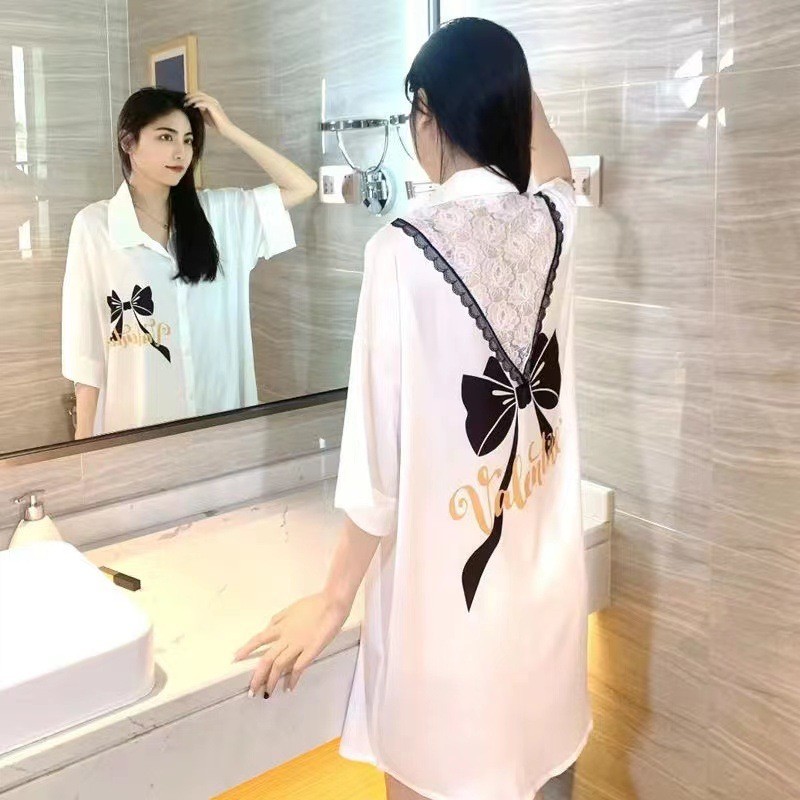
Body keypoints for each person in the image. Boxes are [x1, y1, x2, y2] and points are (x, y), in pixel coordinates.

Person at [235, 17, 591, 800]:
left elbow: (377, 467)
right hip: (545, 616)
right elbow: (553, 152)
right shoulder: (558, 221)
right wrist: (506, 80)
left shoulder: (401, 249)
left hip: (447, 633)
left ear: (427, 112)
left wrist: (333, 599)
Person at [61, 87, 316, 438]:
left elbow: (302, 186)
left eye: (189, 140)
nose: (180, 152)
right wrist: (83, 446)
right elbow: (85, 348)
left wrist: (228, 129)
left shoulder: (220, 215)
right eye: (165, 137)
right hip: (135, 428)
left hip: (221, 424)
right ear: (128, 142)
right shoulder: (95, 226)